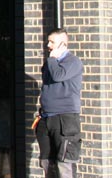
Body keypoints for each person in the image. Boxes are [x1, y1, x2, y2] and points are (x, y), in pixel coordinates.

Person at [35, 28, 83, 178]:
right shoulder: (51, 63)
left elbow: (58, 76)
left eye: (52, 42)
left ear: (63, 44)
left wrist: (52, 59)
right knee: (46, 162)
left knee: (64, 162)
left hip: (64, 119)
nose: (48, 45)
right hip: (46, 118)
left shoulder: (73, 62)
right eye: (48, 41)